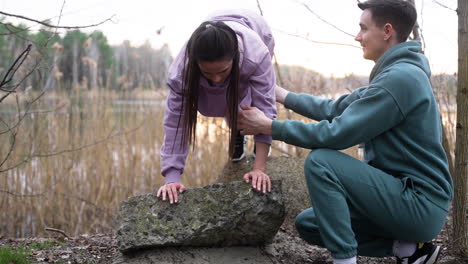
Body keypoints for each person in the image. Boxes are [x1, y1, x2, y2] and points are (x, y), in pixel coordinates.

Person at [237, 1, 453, 264]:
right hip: (403, 199)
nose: (357, 36)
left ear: (387, 31)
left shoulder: (400, 79)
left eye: (363, 28)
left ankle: (345, 261)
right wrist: (281, 95)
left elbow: (335, 134)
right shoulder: (392, 76)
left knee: (322, 162)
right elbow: (334, 109)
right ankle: (409, 251)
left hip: (419, 204)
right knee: (311, 223)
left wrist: (270, 127)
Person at [157, 9, 277, 204]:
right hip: (212, 31)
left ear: (234, 59)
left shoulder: (256, 56)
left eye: (222, 70)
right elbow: (175, 124)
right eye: (207, 73)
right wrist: (172, 177)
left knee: (245, 94)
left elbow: (266, 106)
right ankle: (238, 131)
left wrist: (259, 169)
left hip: (257, 30)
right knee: (216, 97)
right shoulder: (181, 72)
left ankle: (242, 128)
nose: (216, 78)